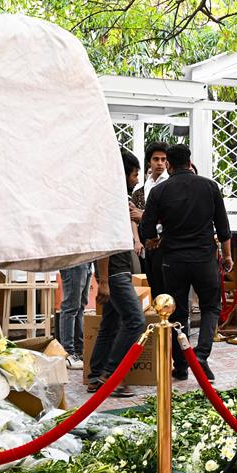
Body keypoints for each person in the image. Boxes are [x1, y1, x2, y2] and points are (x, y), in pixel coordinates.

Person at [139, 143, 232, 381]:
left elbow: (146, 228)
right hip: (204, 258)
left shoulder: (159, 191)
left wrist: (153, 240)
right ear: (190, 163)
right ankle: (201, 355)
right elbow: (223, 228)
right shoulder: (210, 187)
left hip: (173, 260)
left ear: (168, 165)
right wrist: (227, 256)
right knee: (210, 306)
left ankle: (181, 366)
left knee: (176, 312)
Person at [88, 149, 147, 397]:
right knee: (136, 321)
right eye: (134, 174)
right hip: (114, 272)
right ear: (123, 174)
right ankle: (111, 374)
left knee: (110, 324)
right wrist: (103, 281)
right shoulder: (111, 201)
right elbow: (104, 242)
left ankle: (95, 376)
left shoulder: (115, 199)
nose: (136, 179)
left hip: (115, 271)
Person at [132, 141, 170, 296]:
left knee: (167, 289)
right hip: (147, 243)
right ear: (149, 161)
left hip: (166, 243)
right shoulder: (144, 187)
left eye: (163, 159)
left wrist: (143, 216)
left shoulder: (171, 183)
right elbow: (133, 217)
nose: (159, 163)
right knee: (152, 286)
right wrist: (138, 240)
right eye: (156, 159)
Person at [57, 261, 92, 366]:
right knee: (70, 307)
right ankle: (68, 353)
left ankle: (78, 351)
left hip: (86, 260)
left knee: (80, 307)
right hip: (74, 261)